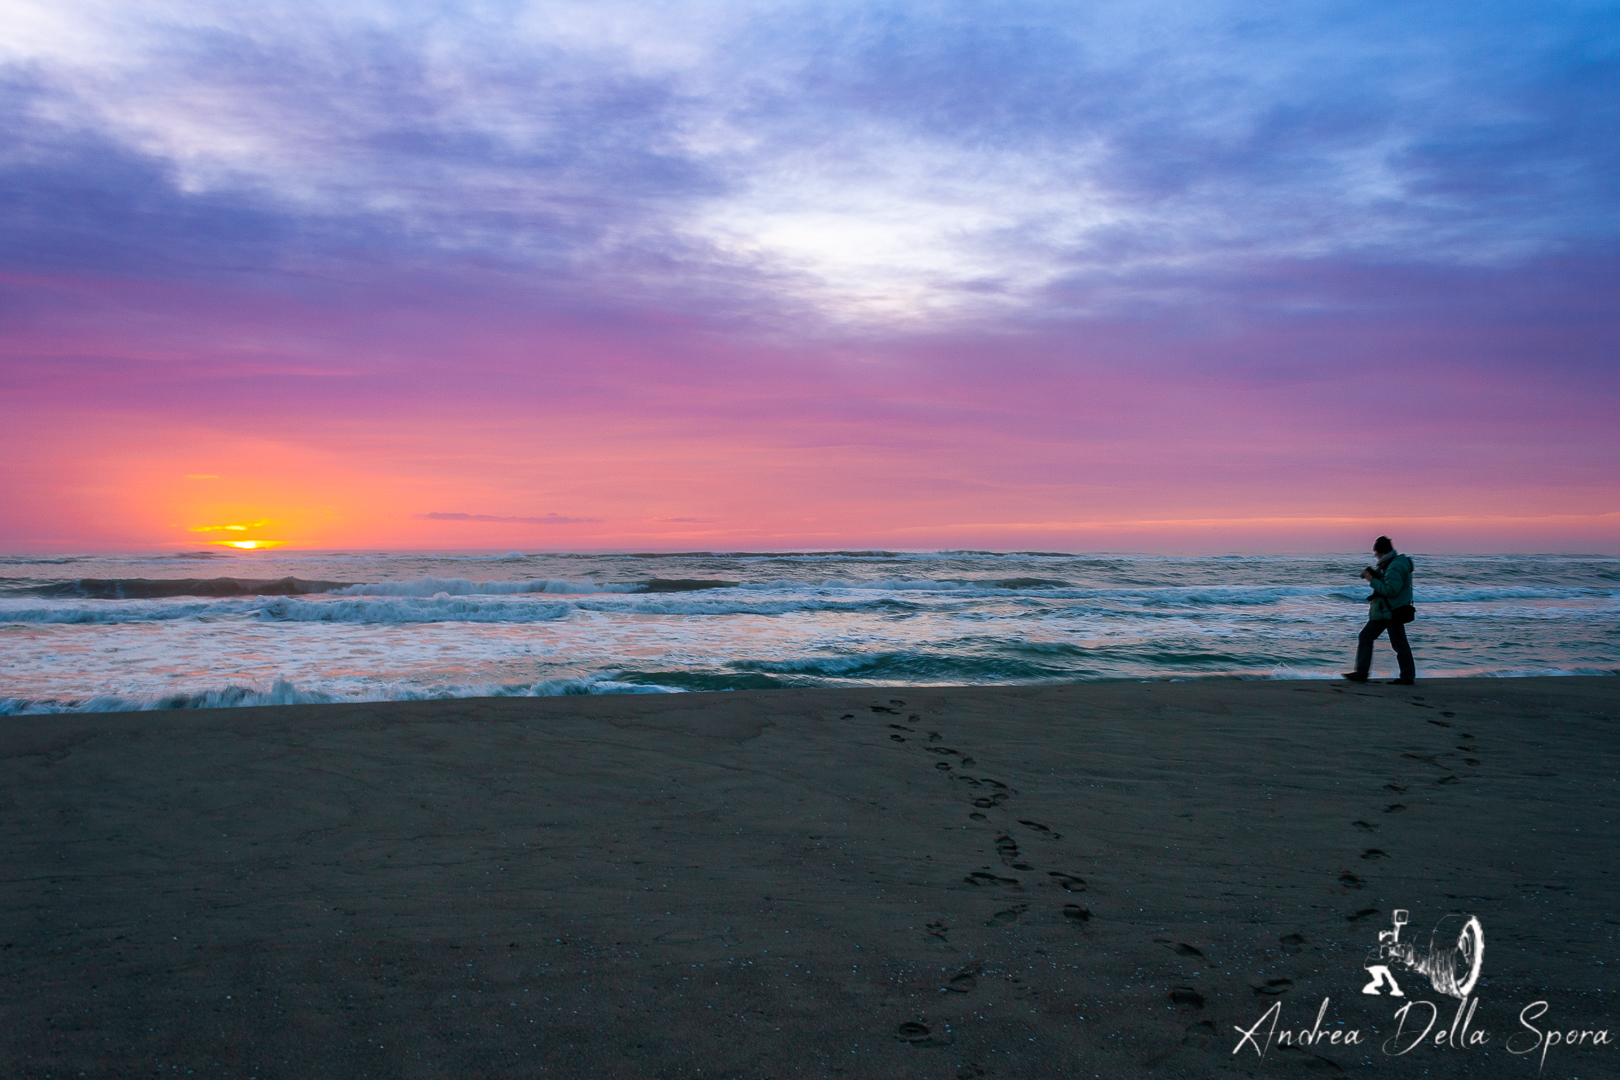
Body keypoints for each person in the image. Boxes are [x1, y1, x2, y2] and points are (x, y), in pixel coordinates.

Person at [1342, 535, 1415, 684]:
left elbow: (1390, 590)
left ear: (1382, 552)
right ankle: (1362, 673)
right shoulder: (1390, 564)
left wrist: (1372, 579)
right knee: (1366, 637)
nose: (1375, 555)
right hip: (1384, 611)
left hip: (1392, 611)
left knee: (1399, 644)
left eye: (1376, 552)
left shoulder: (1395, 566)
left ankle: (1407, 677)